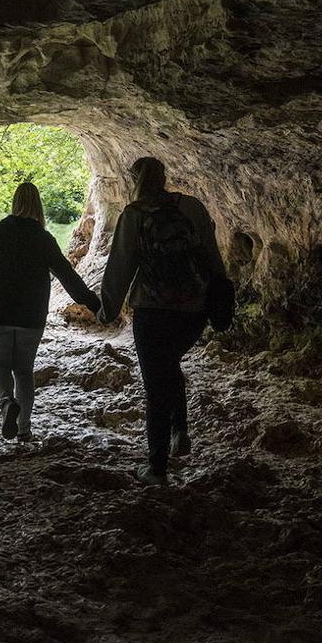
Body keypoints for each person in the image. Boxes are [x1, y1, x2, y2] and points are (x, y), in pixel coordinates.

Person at [97, 157, 225, 486]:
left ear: (135, 181)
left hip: (153, 310)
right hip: (193, 309)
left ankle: (156, 468)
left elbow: (121, 265)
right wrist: (218, 297)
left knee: (156, 383)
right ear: (165, 177)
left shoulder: (135, 214)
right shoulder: (192, 207)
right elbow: (212, 254)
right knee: (169, 365)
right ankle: (180, 430)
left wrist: (107, 309)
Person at [0, 182, 101, 442]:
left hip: (0, 312)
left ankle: (7, 402)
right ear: (38, 205)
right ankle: (24, 429)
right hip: (32, 315)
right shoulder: (43, 238)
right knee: (24, 371)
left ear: (14, 202)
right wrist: (93, 303)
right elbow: (67, 275)